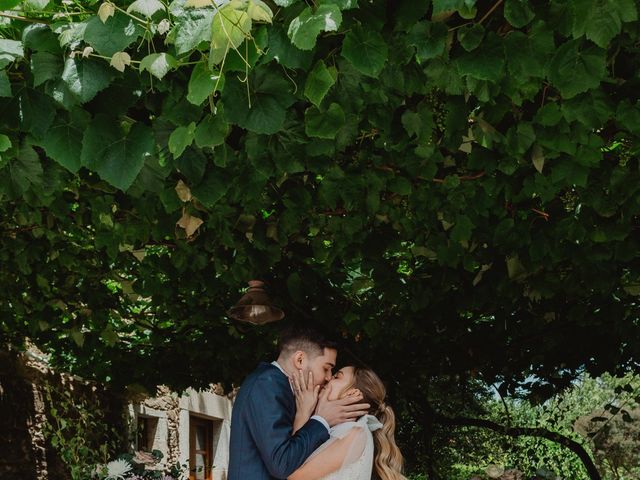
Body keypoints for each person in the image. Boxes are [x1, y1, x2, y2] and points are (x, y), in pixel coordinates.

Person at [228, 327, 370, 480]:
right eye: (326, 368)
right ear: (300, 360)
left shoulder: (288, 391)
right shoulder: (267, 383)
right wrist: (321, 419)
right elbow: (281, 465)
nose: (328, 377)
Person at [287, 365, 407, 480]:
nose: (328, 378)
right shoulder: (340, 430)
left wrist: (303, 413)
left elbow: (291, 471)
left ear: (352, 393)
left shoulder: (353, 433)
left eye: (337, 377)